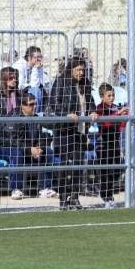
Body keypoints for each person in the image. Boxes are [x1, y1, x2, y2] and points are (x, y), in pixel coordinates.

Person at [48, 56, 98, 210]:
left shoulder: (86, 84)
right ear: (71, 69)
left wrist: (93, 111)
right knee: (65, 164)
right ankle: (63, 199)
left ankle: (75, 197)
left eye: (83, 70)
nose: (81, 73)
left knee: (77, 164)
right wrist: (67, 114)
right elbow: (54, 103)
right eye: (78, 70)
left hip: (80, 130)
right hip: (64, 129)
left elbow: (89, 102)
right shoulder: (61, 82)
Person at [0, 67, 23, 199]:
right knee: (16, 153)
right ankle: (15, 188)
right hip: (0, 140)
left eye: (15, 77)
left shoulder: (19, 95)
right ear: (4, 79)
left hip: (17, 137)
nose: (14, 80)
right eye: (10, 78)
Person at [95, 83, 128, 209]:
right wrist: (119, 114)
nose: (112, 98)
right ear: (102, 97)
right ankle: (106, 197)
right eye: (109, 95)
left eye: (113, 95)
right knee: (105, 171)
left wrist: (125, 117)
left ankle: (108, 194)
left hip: (115, 142)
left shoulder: (115, 108)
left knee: (116, 170)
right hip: (103, 143)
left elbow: (120, 125)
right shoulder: (99, 108)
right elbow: (106, 123)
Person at [13, 46, 51, 114]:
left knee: (41, 90)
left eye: (40, 57)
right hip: (20, 92)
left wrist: (37, 69)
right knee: (36, 90)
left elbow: (45, 82)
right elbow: (22, 85)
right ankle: (36, 115)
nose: (39, 59)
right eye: (36, 57)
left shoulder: (37, 66)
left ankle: (42, 114)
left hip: (32, 91)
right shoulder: (19, 66)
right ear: (29, 58)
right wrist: (36, 69)